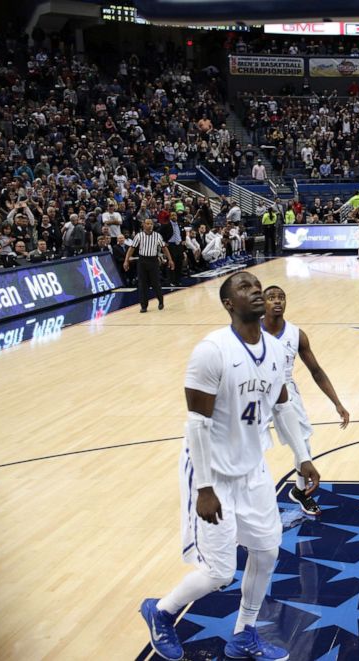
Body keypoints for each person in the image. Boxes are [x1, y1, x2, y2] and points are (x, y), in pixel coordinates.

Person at [140, 272, 319, 661]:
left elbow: (283, 405)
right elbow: (197, 425)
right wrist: (204, 487)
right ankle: (161, 610)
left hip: (252, 469)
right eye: (244, 287)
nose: (255, 290)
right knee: (220, 573)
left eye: (257, 284)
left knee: (267, 551)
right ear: (228, 304)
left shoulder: (273, 351)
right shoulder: (211, 351)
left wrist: (302, 456)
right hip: (213, 473)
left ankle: (244, 634)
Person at [261, 285, 350, 516]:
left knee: (304, 444)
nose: (277, 302)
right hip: (256, 391)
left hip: (286, 389)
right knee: (250, 446)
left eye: (281, 297)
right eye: (271, 298)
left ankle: (300, 492)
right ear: (263, 303)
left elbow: (316, 371)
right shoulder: (251, 330)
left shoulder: (296, 334)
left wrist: (337, 402)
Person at [124, 218, 174, 313]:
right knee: (142, 284)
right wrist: (126, 260)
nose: (150, 225)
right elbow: (132, 248)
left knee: (155, 283)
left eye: (151, 224)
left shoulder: (157, 236)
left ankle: (160, 301)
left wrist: (170, 260)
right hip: (142, 260)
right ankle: (144, 306)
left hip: (153, 260)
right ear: (143, 225)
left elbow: (164, 248)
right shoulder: (139, 236)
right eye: (147, 223)